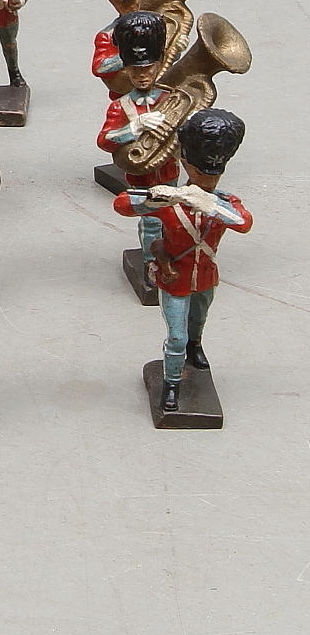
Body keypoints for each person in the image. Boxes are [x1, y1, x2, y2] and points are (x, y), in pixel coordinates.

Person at [113, 109, 251, 411]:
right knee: (175, 336)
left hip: (205, 278)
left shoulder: (223, 202)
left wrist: (209, 203)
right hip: (174, 278)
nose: (208, 178)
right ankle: (172, 382)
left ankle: (195, 344)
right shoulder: (171, 201)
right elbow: (122, 204)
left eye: (214, 173)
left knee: (198, 320)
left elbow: (243, 222)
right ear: (187, 164)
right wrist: (156, 196)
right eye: (203, 172)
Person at [97, 11, 180, 268]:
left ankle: (171, 258)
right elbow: (105, 140)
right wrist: (135, 126)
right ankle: (151, 264)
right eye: (135, 70)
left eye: (148, 69)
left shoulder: (171, 98)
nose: (142, 75)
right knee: (151, 221)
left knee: (172, 218)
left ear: (159, 63)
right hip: (141, 177)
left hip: (169, 172)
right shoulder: (120, 105)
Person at [91, 0, 148, 97]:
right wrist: (130, 55)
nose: (132, 7)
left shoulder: (152, 24)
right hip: (125, 96)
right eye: (123, 3)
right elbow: (99, 67)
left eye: (135, 0)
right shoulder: (107, 36)